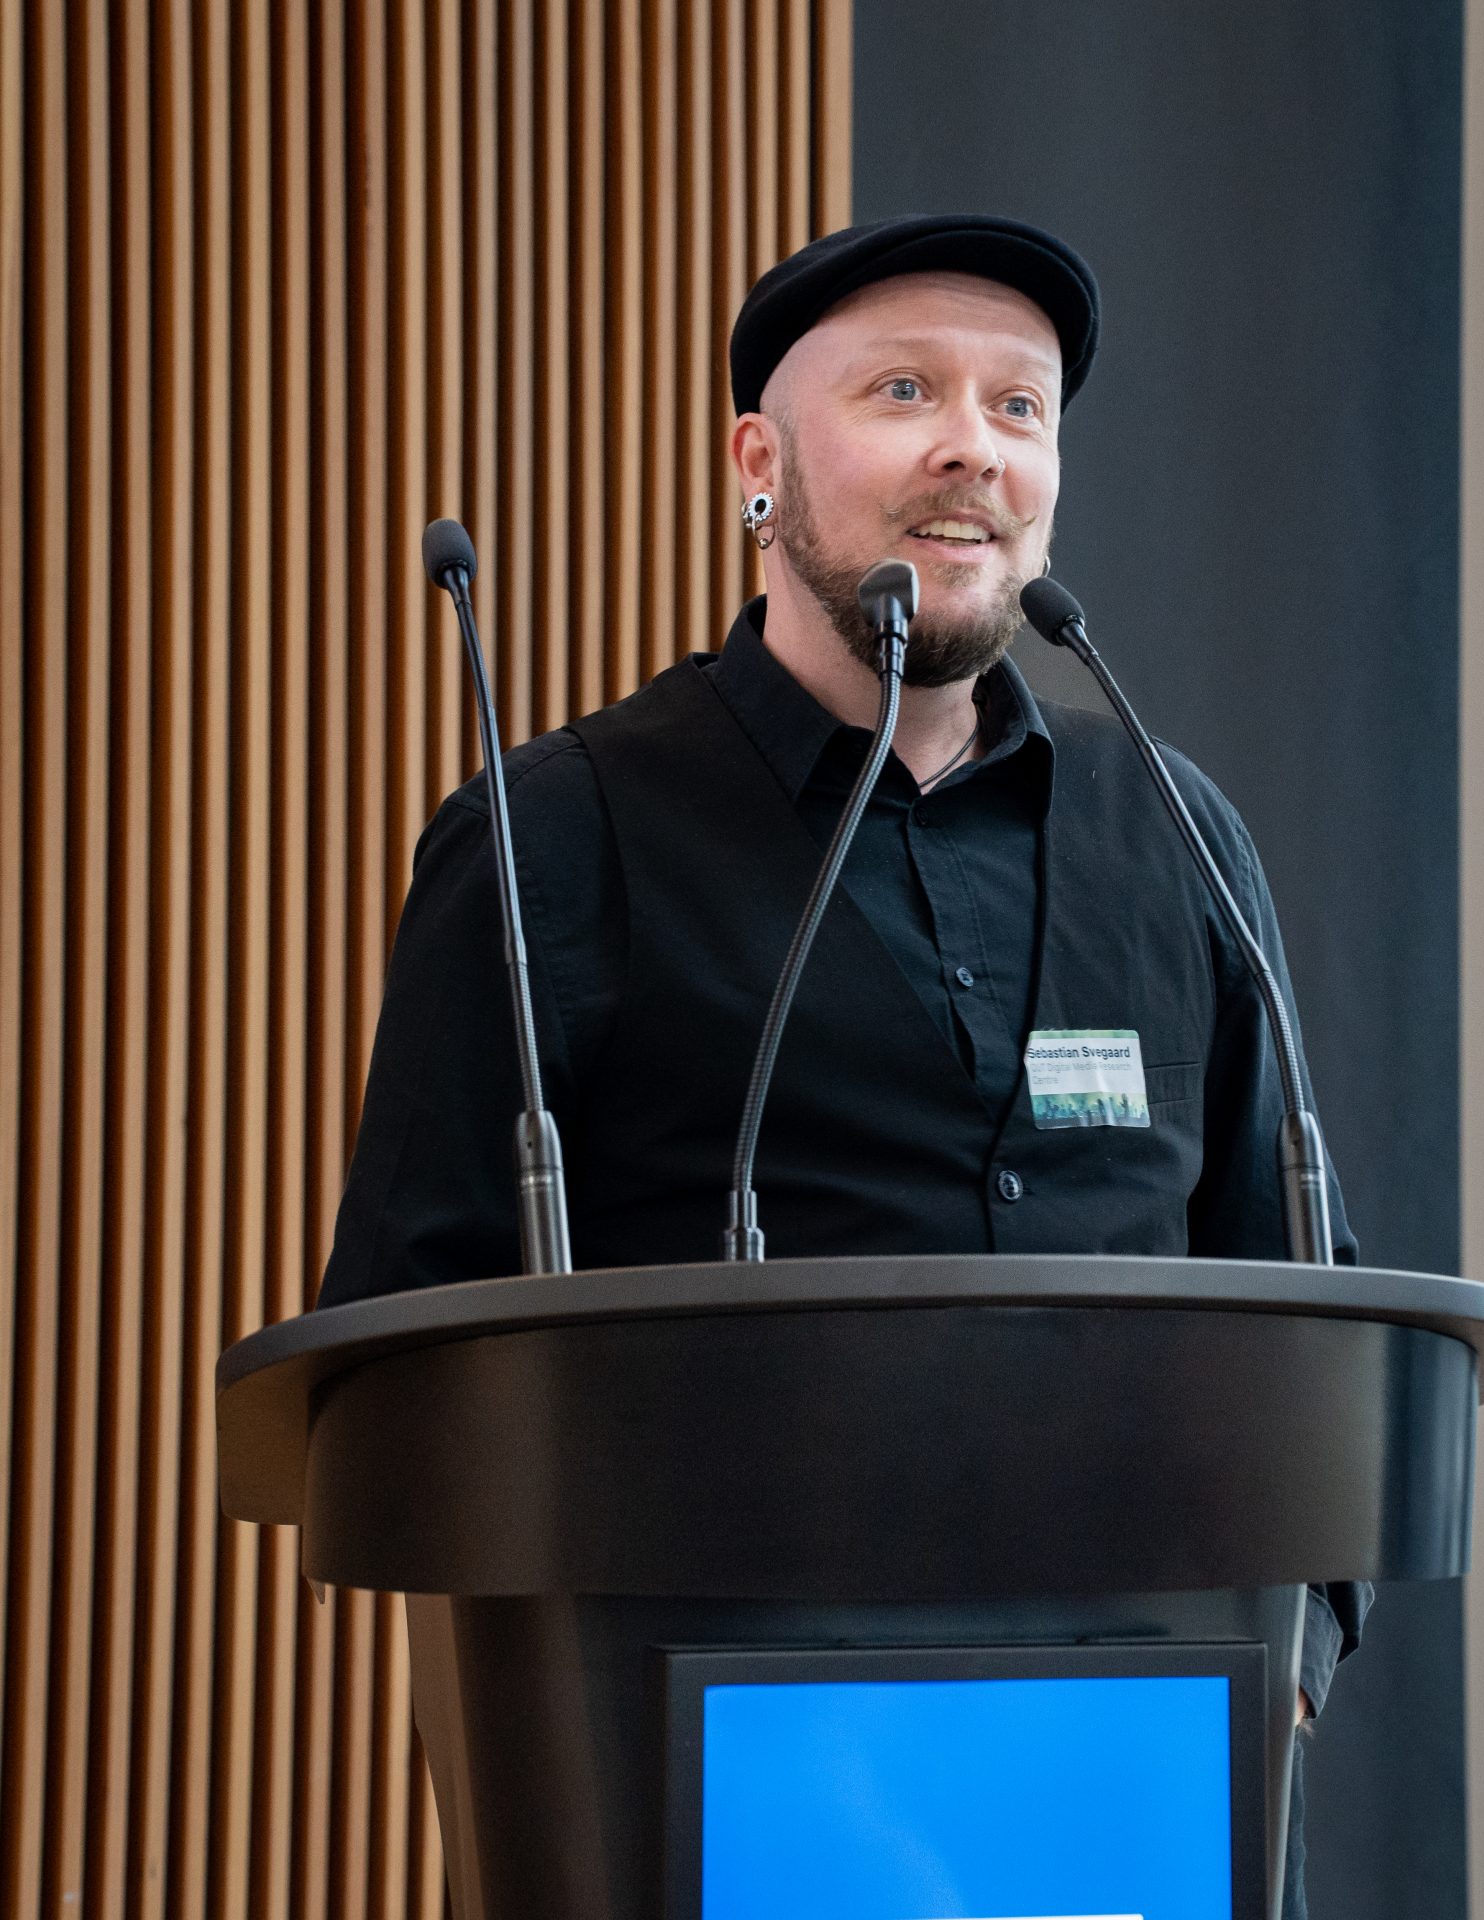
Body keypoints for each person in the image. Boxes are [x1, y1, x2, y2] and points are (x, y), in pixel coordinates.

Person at [318, 213, 1369, 1916]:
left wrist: (1302, 1644)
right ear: (760, 461)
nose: (973, 444)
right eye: (904, 390)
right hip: (706, 1747)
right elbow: (414, 1341)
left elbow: (1299, 1275)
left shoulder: (1175, 828)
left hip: (1148, 1742)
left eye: (1017, 408)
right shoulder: (557, 834)